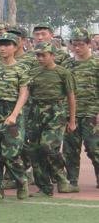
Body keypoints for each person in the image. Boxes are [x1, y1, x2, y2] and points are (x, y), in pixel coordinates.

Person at [0, 32, 29, 202]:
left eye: (7, 44)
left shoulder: (21, 68)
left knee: (11, 153)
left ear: (15, 47)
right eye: (0, 44)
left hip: (11, 110)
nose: (2, 48)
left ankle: (21, 182)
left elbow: (23, 93)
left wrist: (14, 114)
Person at [25, 42, 76, 197]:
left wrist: (72, 120)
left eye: (43, 55)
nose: (40, 58)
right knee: (34, 150)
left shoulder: (63, 73)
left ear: (52, 56)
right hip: (35, 113)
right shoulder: (33, 72)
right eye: (38, 55)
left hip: (55, 113)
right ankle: (44, 187)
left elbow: (71, 97)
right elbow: (26, 94)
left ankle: (61, 178)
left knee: (47, 146)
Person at [62, 28, 98, 190]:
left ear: (89, 44)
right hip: (71, 113)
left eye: (81, 44)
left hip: (92, 113)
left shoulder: (96, 63)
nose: (77, 48)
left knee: (94, 147)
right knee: (70, 149)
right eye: (74, 44)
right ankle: (72, 181)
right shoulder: (67, 65)